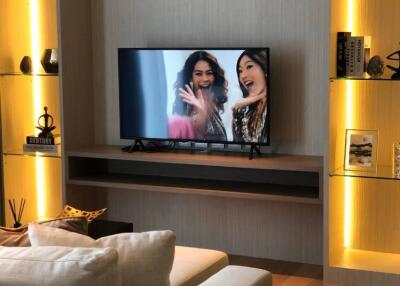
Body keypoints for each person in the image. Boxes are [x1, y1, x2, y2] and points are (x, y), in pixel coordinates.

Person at [169, 51, 228, 141]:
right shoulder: (190, 109)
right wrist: (201, 112)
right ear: (190, 77)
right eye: (198, 74)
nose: (205, 79)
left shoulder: (211, 105)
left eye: (209, 73)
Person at [232, 49, 268, 143]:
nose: (243, 76)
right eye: (240, 71)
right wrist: (237, 112)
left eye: (249, 66)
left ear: (264, 69)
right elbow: (241, 146)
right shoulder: (245, 111)